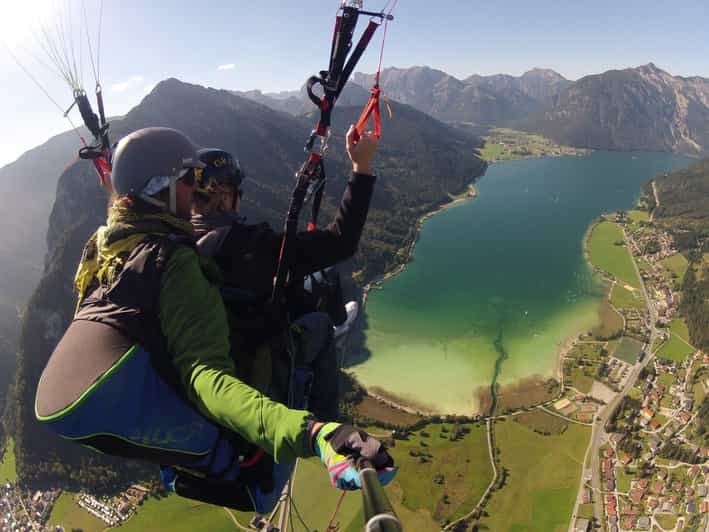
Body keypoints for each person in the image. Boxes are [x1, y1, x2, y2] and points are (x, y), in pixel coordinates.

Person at [34, 127, 395, 513]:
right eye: (186, 179)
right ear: (221, 195)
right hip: (247, 396)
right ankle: (328, 416)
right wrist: (316, 433)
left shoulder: (111, 248)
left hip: (184, 432)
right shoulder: (195, 259)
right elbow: (206, 376)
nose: (191, 191)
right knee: (321, 317)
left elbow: (125, 199)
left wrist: (118, 173)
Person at [190, 126, 378, 419]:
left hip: (209, 360)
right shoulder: (252, 247)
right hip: (255, 353)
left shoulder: (176, 244)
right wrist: (361, 167)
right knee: (319, 322)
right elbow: (341, 241)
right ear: (227, 196)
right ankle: (328, 426)